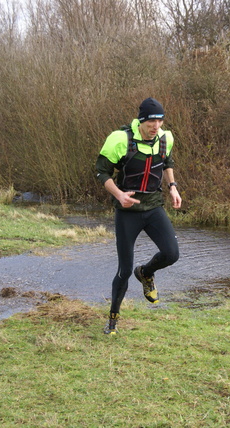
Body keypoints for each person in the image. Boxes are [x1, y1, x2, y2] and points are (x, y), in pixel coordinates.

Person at [95, 97, 182, 334]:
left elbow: (167, 162)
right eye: (152, 121)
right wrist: (119, 195)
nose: (156, 126)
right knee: (124, 269)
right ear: (141, 121)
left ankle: (145, 273)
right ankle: (112, 320)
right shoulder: (120, 140)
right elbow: (101, 172)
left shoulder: (165, 138)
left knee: (172, 254)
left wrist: (173, 186)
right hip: (127, 212)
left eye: (160, 120)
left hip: (153, 206)